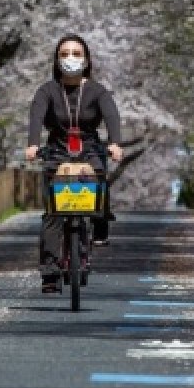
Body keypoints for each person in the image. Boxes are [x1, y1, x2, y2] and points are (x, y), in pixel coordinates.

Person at [25, 34, 123, 292]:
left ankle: (100, 225)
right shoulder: (47, 90)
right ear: (57, 60)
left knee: (99, 179)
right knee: (53, 213)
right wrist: (33, 144)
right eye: (64, 53)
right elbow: (36, 115)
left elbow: (111, 115)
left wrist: (115, 143)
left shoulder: (97, 91)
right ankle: (50, 273)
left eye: (76, 53)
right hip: (56, 150)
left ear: (87, 59)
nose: (70, 58)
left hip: (90, 148)